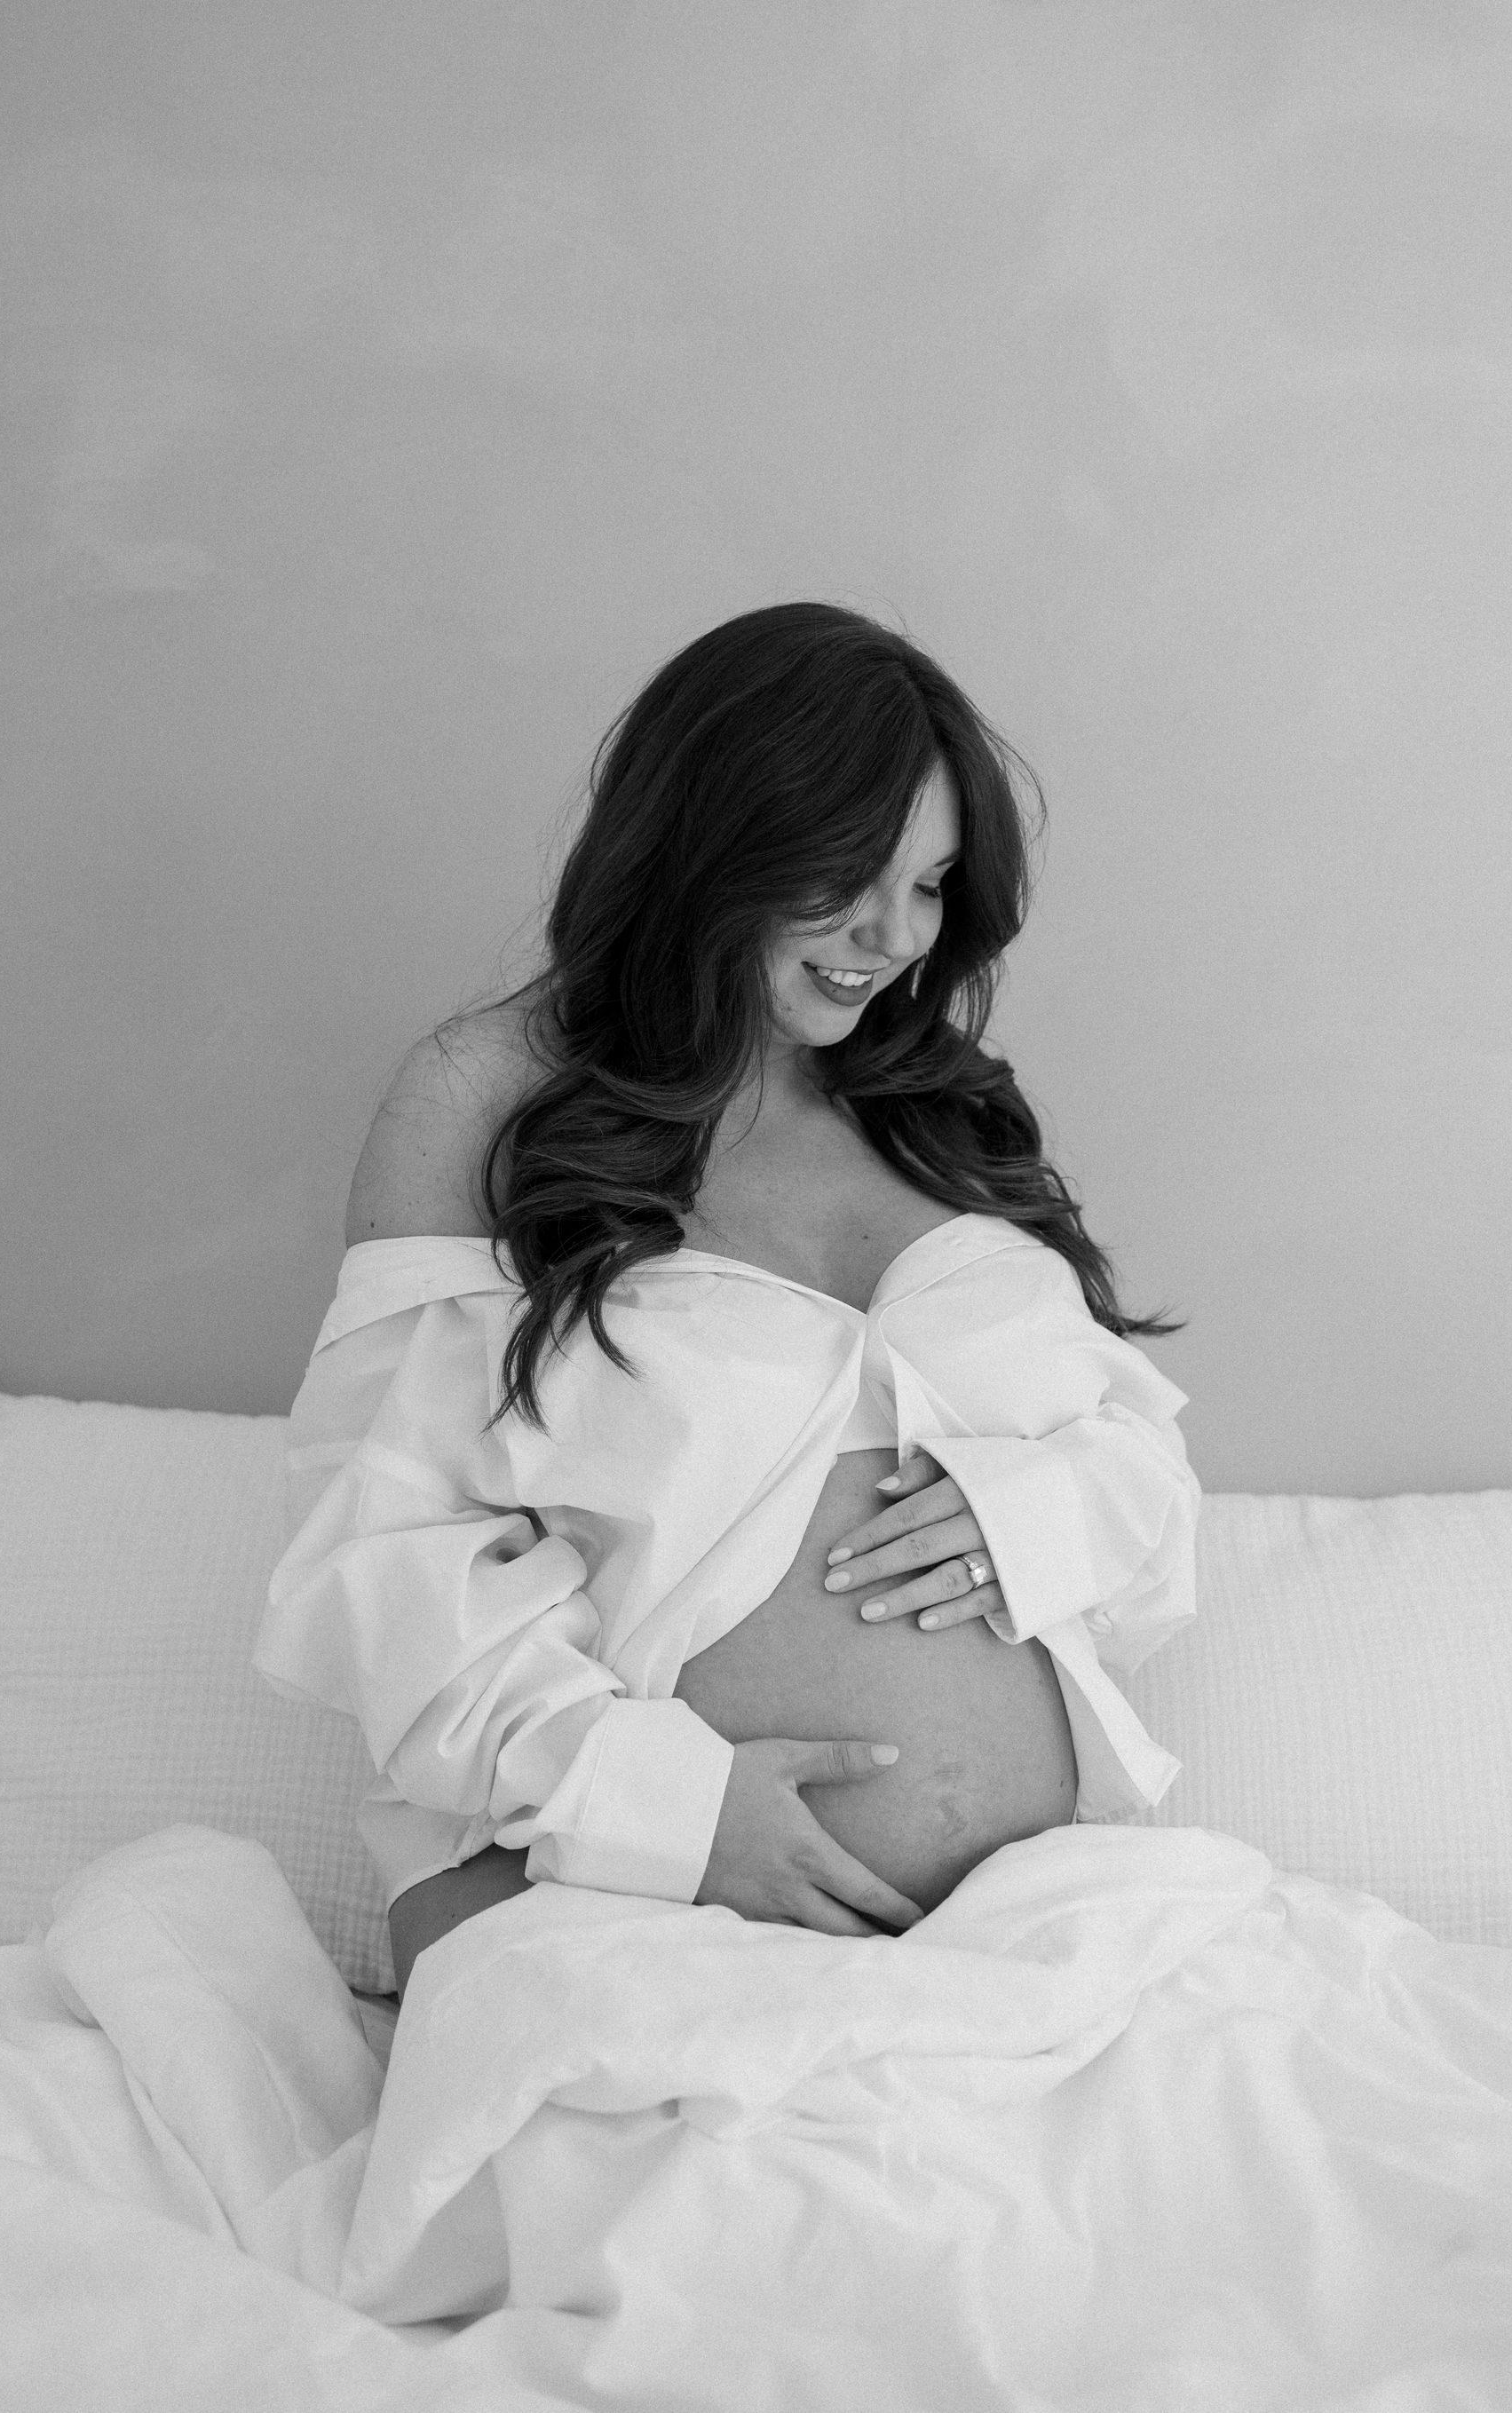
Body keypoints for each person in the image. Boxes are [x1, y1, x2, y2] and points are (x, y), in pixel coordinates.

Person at [255, 604, 1200, 1997]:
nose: (890, 936)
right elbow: (385, 1547)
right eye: (849, 874)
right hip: (609, 1903)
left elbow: (1145, 1480)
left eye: (932, 886)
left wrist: (1037, 1517)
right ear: (714, 836)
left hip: (1020, 1940)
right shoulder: (492, 1093)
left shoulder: (934, 1119)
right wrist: (666, 1812)